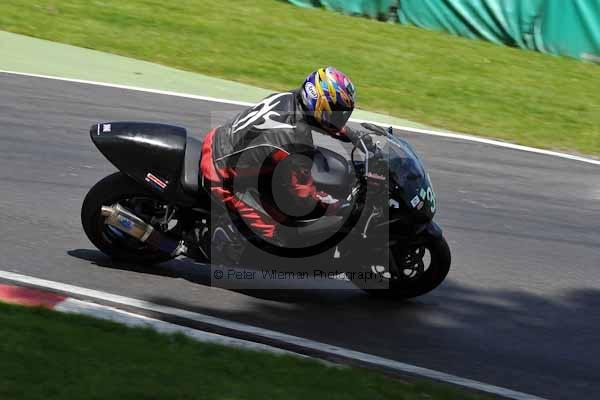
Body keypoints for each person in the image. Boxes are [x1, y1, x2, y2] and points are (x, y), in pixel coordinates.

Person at [200, 66, 364, 251]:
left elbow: (323, 121)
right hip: (219, 174)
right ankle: (225, 246)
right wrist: (336, 206)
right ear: (321, 105)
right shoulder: (294, 138)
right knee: (276, 237)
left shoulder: (290, 98)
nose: (341, 117)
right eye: (338, 112)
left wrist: (353, 136)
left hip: (217, 141)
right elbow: (302, 195)